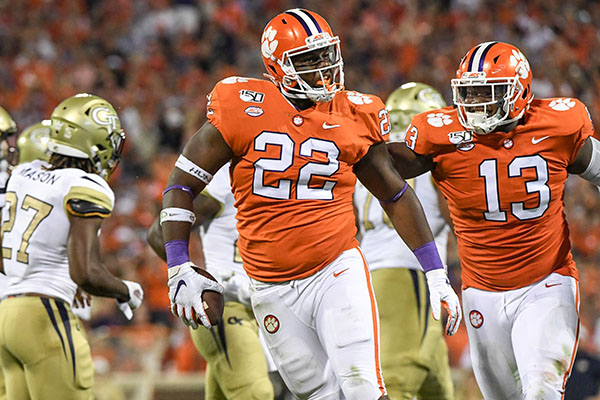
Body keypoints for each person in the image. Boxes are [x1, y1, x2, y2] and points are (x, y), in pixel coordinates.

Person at [159, 8, 461, 400]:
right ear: (277, 66)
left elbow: (395, 193)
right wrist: (178, 264)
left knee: (363, 388)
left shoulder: (354, 112)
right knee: (318, 395)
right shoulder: (240, 106)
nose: (323, 68)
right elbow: (180, 186)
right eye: (308, 60)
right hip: (268, 285)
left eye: (325, 55)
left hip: (335, 269)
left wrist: (436, 273)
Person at [387, 41, 595, 399]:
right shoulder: (440, 134)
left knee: (542, 390)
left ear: (518, 92)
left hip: (546, 283)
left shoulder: (558, 124)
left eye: (487, 92)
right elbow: (383, 169)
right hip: (481, 293)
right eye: (468, 93)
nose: (475, 103)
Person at [0, 93, 144, 399]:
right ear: (92, 142)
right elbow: (85, 272)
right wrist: (124, 291)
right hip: (44, 314)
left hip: (7, 314)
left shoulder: (23, 174)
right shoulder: (85, 186)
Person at [354, 82, 455, 399]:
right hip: (409, 276)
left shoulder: (370, 163)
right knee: (397, 380)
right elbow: (458, 217)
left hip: (369, 278)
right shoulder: (429, 164)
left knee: (434, 386)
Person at [147, 163, 278, 400]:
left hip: (266, 307)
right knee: (256, 394)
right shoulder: (226, 178)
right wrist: (195, 278)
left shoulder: (288, 176)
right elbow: (158, 232)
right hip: (229, 304)